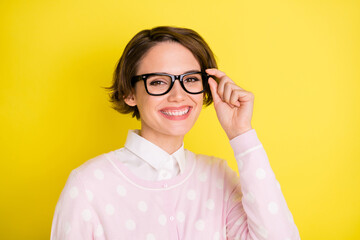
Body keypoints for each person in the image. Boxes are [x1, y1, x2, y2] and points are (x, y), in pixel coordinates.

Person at [50, 26, 300, 240]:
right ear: (130, 93)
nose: (178, 95)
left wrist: (241, 133)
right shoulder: (88, 185)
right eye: (158, 81)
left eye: (190, 79)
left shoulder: (218, 176)